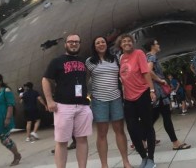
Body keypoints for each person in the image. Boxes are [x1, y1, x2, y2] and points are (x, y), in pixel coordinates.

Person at [42, 34, 93, 168]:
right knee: (61, 141)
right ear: (65, 44)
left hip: (82, 105)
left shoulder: (83, 61)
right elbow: (46, 79)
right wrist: (49, 101)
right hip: (63, 106)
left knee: (82, 139)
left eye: (76, 42)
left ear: (80, 44)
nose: (74, 44)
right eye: (71, 42)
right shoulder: (57, 61)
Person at [85, 36, 132, 168]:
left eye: (103, 42)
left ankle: (125, 161)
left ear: (107, 44)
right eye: (97, 43)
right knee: (102, 133)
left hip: (116, 98)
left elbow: (123, 75)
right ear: (94, 46)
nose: (101, 44)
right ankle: (104, 165)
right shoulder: (90, 61)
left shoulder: (115, 59)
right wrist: (88, 95)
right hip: (99, 101)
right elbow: (85, 79)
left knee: (120, 131)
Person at [116, 34, 157, 168]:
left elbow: (146, 73)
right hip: (128, 98)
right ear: (120, 45)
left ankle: (151, 159)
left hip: (142, 94)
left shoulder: (139, 53)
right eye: (124, 41)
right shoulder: (121, 58)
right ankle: (143, 157)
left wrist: (151, 91)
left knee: (148, 126)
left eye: (129, 41)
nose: (127, 43)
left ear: (132, 43)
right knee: (132, 129)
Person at [144, 39, 191, 151]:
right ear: (152, 46)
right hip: (159, 92)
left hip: (156, 92)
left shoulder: (146, 57)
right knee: (165, 118)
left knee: (152, 118)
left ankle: (140, 140)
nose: (159, 45)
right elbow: (148, 71)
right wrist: (160, 80)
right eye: (157, 43)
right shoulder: (152, 57)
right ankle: (175, 143)